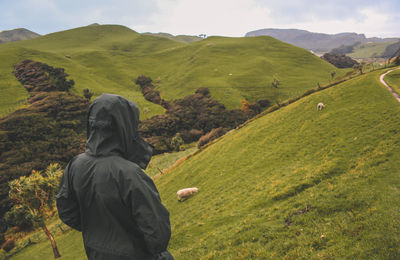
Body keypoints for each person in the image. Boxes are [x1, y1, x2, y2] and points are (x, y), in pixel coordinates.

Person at [56, 94, 173, 260]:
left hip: (96, 253)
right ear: (124, 126)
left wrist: (98, 233)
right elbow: (158, 234)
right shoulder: (130, 174)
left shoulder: (74, 165)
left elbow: (66, 211)